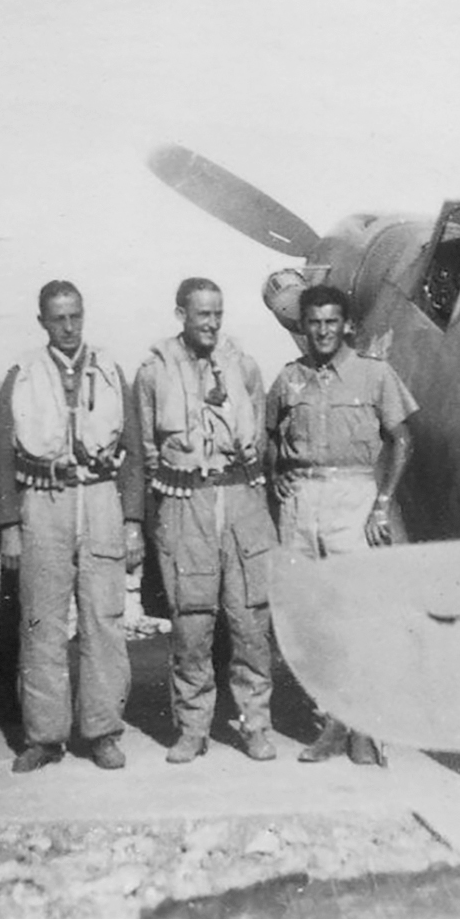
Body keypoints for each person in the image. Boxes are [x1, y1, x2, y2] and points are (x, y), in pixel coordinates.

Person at [0, 281, 146, 773]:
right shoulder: (23, 373)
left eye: (76, 316)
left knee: (104, 622)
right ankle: (45, 736)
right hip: (44, 502)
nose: (69, 327)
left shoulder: (110, 371)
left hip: (99, 501)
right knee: (41, 625)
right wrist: (9, 524)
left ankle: (103, 732)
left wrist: (133, 520)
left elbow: (134, 452)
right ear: (43, 322)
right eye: (59, 319)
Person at [264, 284, 417, 766]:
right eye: (314, 323)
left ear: (346, 325)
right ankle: (331, 725)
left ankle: (364, 729)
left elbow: (403, 439)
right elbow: (269, 437)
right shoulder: (289, 379)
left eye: (332, 322)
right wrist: (277, 476)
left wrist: (382, 503)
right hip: (302, 500)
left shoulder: (375, 374)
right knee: (314, 619)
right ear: (304, 327)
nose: (323, 331)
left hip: (354, 497)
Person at [134, 278, 278, 763]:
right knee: (191, 625)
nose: (212, 323)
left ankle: (255, 724)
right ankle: (193, 728)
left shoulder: (244, 366)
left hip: (240, 499)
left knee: (250, 620)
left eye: (218, 314)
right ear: (182, 314)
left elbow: (259, 434)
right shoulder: (153, 372)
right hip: (185, 503)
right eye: (203, 314)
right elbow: (147, 449)